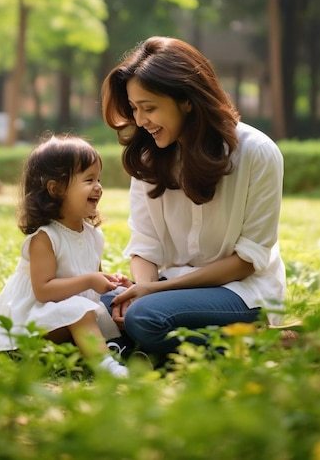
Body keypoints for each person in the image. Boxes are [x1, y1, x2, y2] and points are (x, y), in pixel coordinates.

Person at [101, 35, 286, 358]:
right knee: (96, 306)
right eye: (134, 108)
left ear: (186, 100)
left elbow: (246, 261)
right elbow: (145, 247)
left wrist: (150, 294)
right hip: (166, 288)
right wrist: (139, 290)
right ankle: (149, 347)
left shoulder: (257, 152)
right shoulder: (148, 158)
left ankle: (268, 344)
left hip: (240, 292)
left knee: (144, 317)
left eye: (149, 108)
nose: (141, 121)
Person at [0, 134, 131, 378]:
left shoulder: (94, 236)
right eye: (88, 179)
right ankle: (106, 366)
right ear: (56, 189)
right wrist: (89, 280)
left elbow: (92, 282)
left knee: (102, 309)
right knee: (79, 310)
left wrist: (111, 282)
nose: (98, 186)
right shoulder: (45, 237)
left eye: (98, 178)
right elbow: (44, 290)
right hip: (29, 329)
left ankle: (108, 352)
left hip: (63, 322)